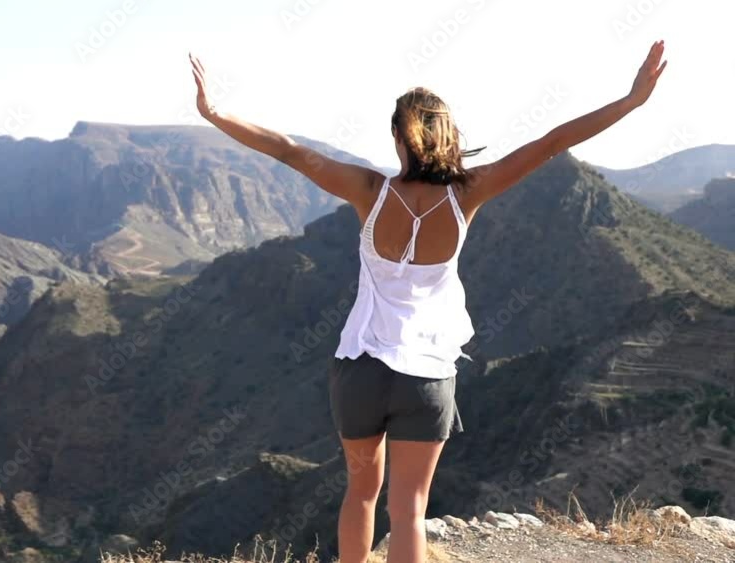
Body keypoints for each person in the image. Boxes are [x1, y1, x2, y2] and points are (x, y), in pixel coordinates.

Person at [189, 40, 667, 563]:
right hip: (428, 377)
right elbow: (552, 142)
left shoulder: (368, 191)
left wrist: (215, 113)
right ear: (446, 135)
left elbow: (286, 149)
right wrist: (630, 101)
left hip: (362, 370)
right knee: (410, 510)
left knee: (360, 494)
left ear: (397, 135)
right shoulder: (468, 193)